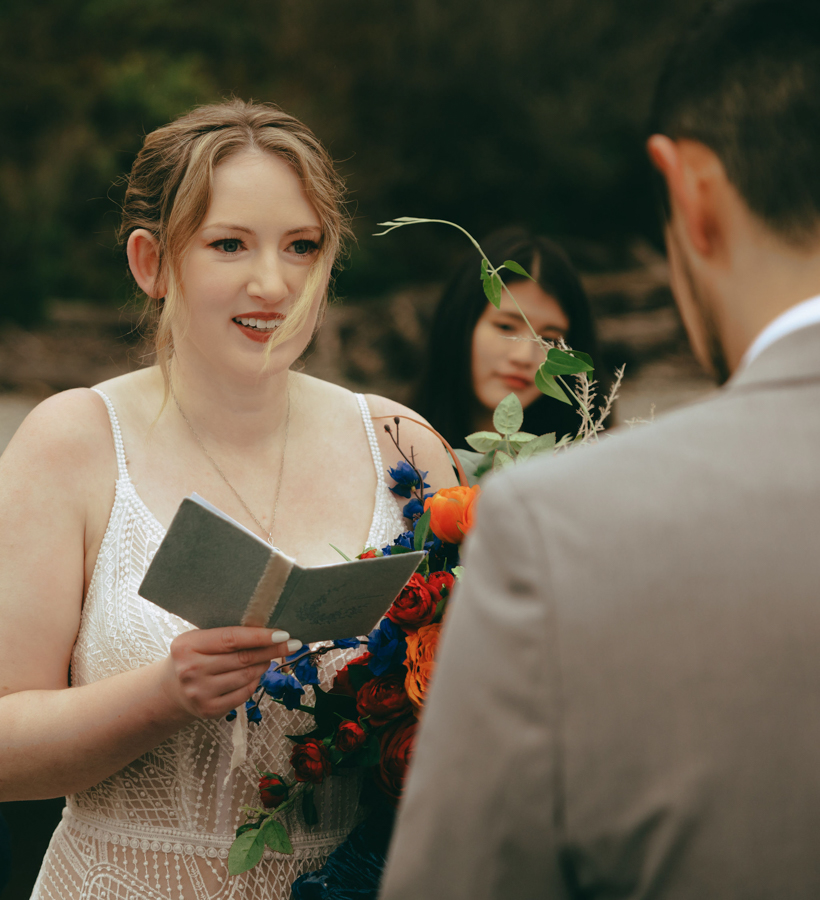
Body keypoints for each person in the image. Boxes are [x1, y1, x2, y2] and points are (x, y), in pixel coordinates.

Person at [379, 1, 820, 898]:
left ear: (690, 189)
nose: (524, 352)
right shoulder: (401, 448)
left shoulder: (559, 517)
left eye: (548, 335)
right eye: (503, 324)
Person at [0, 99, 453, 900]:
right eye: (229, 244)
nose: (272, 283)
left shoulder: (403, 446)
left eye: (302, 246)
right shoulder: (71, 442)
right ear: (152, 263)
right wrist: (162, 696)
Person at [415, 228, 603, 448]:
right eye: (506, 326)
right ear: (460, 322)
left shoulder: (586, 461)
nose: (524, 357)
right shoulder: (390, 444)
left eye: (550, 340)